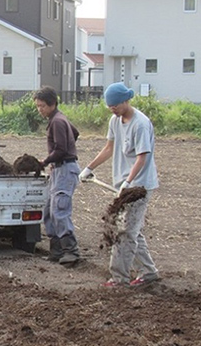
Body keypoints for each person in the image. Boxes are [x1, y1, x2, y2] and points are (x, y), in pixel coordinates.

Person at [79, 82, 160, 287]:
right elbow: (109, 148)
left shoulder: (140, 124)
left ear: (126, 100)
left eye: (115, 105)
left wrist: (129, 181)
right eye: (109, 106)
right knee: (132, 230)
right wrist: (89, 168)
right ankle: (149, 272)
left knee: (125, 232)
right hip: (124, 185)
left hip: (139, 187)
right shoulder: (115, 121)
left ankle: (119, 278)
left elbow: (142, 157)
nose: (112, 109)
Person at [34, 86, 81, 265]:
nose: (40, 110)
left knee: (60, 210)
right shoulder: (59, 119)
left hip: (65, 169)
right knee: (48, 210)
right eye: (38, 106)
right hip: (59, 168)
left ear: (52, 104)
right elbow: (74, 133)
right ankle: (57, 249)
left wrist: (45, 161)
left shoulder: (58, 122)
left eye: (42, 106)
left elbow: (61, 148)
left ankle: (71, 251)